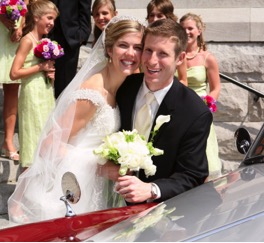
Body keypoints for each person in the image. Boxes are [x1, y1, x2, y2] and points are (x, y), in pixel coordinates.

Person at [8, 16, 145, 224]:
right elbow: (49, 144)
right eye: (123, 45)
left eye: (138, 47)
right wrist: (101, 167)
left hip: (94, 186)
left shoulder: (123, 86)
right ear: (109, 49)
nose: (131, 53)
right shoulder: (92, 93)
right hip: (72, 188)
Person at [101, 18, 213, 204]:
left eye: (163, 54)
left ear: (180, 58)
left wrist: (151, 189)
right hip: (108, 199)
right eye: (148, 50)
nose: (152, 61)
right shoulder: (123, 88)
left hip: (159, 213)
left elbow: (193, 175)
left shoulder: (194, 112)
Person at [9, 0, 58, 170]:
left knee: (44, 140)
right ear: (36, 18)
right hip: (31, 95)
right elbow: (14, 73)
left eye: (54, 20)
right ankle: (25, 188)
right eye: (49, 18)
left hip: (45, 94)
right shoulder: (28, 40)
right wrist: (40, 67)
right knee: (33, 141)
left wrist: (50, 74)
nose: (52, 23)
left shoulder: (43, 42)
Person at [179, 13, 222, 181]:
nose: (187, 32)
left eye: (190, 28)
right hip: (180, 108)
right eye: (183, 29)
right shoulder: (175, 56)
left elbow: (216, 87)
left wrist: (207, 106)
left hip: (200, 109)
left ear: (199, 31)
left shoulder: (207, 58)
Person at [0, 0, 29, 162]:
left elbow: (26, 2)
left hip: (14, 29)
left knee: (12, 87)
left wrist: (20, 26)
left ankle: (8, 142)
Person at [50, 0, 92, 98]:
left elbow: (85, 9)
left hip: (68, 39)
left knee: (64, 87)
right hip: (44, 33)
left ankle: (63, 112)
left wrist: (81, 36)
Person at [146, 0, 188, 86]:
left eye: (159, 15)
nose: (154, 19)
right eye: (151, 15)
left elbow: (183, 80)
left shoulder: (176, 42)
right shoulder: (143, 38)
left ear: (168, 17)